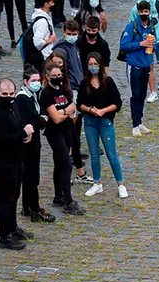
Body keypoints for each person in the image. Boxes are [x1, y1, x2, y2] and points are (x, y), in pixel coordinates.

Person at [0, 79, 36, 249]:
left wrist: (25, 131)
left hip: (16, 159)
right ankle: (4, 237)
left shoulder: (12, 106)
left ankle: (13, 227)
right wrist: (24, 132)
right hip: (3, 162)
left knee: (14, 196)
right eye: (5, 94)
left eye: (11, 94)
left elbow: (18, 125)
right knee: (5, 200)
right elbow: (2, 139)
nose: (9, 97)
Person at [77, 52, 128, 198]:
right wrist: (90, 110)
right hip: (90, 122)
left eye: (95, 64)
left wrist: (103, 111)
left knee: (112, 154)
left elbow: (117, 103)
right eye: (90, 64)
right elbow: (80, 103)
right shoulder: (84, 83)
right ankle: (97, 183)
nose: (93, 67)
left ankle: (121, 184)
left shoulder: (108, 81)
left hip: (105, 122)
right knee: (94, 155)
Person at [41, 63, 85, 215]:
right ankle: (68, 200)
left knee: (59, 164)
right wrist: (67, 111)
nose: (57, 78)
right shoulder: (46, 94)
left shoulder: (63, 90)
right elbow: (56, 118)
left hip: (67, 131)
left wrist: (63, 112)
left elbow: (71, 111)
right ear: (47, 76)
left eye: (59, 75)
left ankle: (58, 196)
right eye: (53, 76)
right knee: (66, 164)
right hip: (55, 133)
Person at [14, 68, 55, 223]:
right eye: (34, 81)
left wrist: (42, 118)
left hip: (34, 141)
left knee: (30, 175)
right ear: (25, 82)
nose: (37, 83)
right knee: (31, 176)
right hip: (28, 143)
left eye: (38, 80)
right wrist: (43, 119)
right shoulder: (23, 98)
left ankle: (27, 206)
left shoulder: (33, 95)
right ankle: (34, 208)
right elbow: (37, 120)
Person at [121, 2, 155, 137]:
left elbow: (156, 46)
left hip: (146, 64)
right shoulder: (132, 26)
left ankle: (139, 121)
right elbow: (124, 45)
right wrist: (141, 43)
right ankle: (135, 125)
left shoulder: (151, 27)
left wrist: (153, 44)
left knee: (142, 94)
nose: (144, 14)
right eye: (142, 11)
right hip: (134, 65)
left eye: (146, 11)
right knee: (134, 95)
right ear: (138, 12)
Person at [30, 0, 57, 66]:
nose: (54, 4)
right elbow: (38, 43)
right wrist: (50, 40)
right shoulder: (42, 22)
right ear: (46, 4)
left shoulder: (43, 17)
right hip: (44, 58)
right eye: (52, 2)